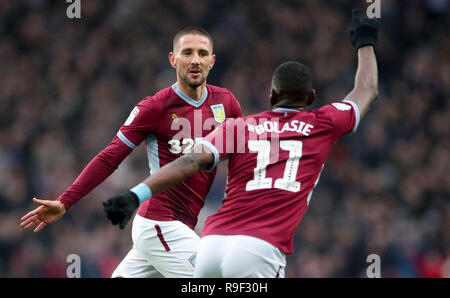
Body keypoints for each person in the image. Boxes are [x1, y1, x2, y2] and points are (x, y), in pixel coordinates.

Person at [102, 10, 380, 277]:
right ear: (311, 98)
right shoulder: (323, 123)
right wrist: (365, 44)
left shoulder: (238, 127)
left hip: (212, 244)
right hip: (259, 248)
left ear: (271, 96)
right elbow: (366, 90)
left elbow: (189, 162)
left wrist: (136, 195)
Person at [20, 27, 242, 278]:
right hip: (160, 224)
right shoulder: (154, 107)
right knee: (213, 278)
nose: (194, 60)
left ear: (211, 61)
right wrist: (65, 202)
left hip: (182, 227)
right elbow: (109, 158)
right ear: (173, 59)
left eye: (202, 54)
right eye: (187, 52)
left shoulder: (226, 103)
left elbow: (241, 159)